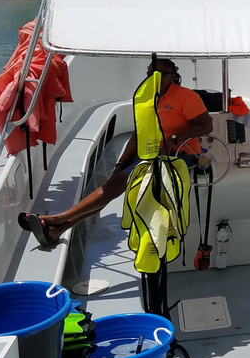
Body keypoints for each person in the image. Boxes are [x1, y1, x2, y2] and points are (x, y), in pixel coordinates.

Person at [21, 58, 214, 248]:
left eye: (161, 74)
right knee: (113, 183)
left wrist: (174, 139)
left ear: (173, 77)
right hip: (151, 153)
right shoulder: (146, 97)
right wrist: (120, 164)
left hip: (180, 155)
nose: (154, 77)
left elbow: (206, 125)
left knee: (114, 186)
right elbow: (138, 134)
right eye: (150, 73)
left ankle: (59, 218)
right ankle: (57, 229)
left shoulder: (186, 96)